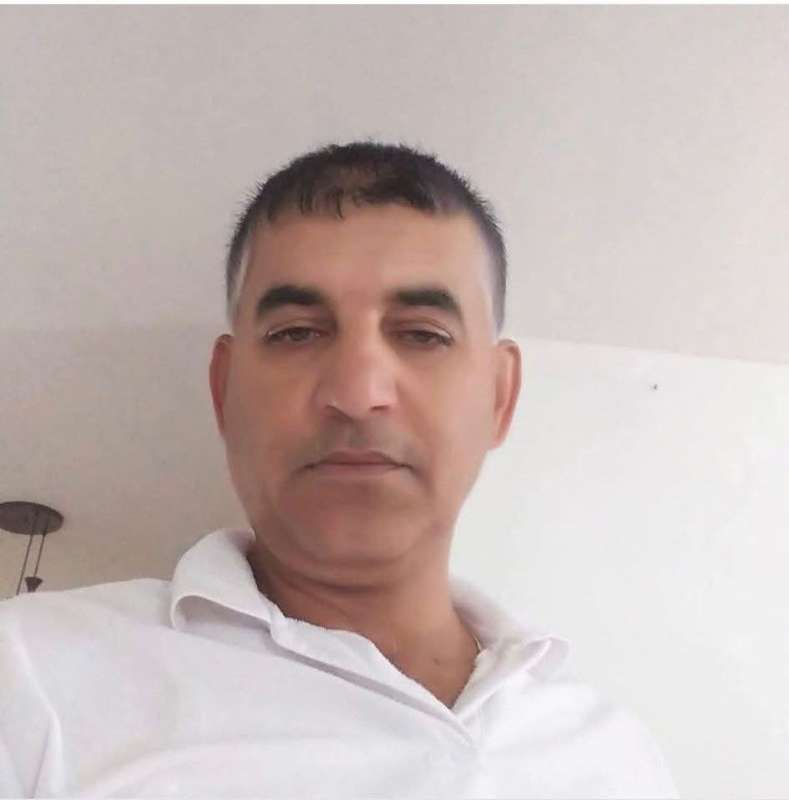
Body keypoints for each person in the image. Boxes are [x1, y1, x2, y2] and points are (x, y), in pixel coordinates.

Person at [0, 141, 678, 798]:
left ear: (500, 397)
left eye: (422, 334)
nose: (357, 393)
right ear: (224, 390)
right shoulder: (30, 675)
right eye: (296, 332)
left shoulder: (615, 756)